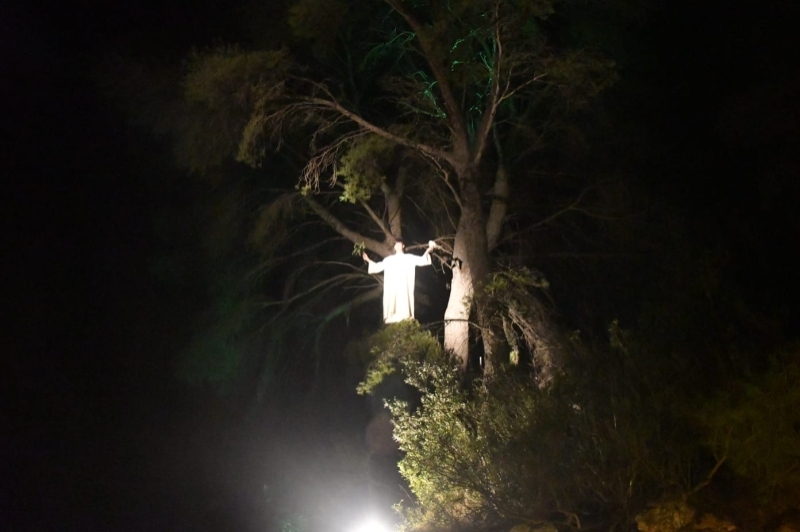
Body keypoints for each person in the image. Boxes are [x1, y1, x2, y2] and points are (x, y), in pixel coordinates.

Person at [362, 240, 437, 323]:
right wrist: (368, 259)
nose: (397, 246)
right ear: (394, 247)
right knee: (393, 301)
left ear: (403, 246)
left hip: (404, 285)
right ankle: (393, 316)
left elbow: (422, 260)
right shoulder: (389, 260)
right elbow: (378, 266)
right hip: (393, 285)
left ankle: (405, 317)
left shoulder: (409, 258)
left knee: (404, 300)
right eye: (396, 245)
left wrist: (429, 249)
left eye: (399, 244)